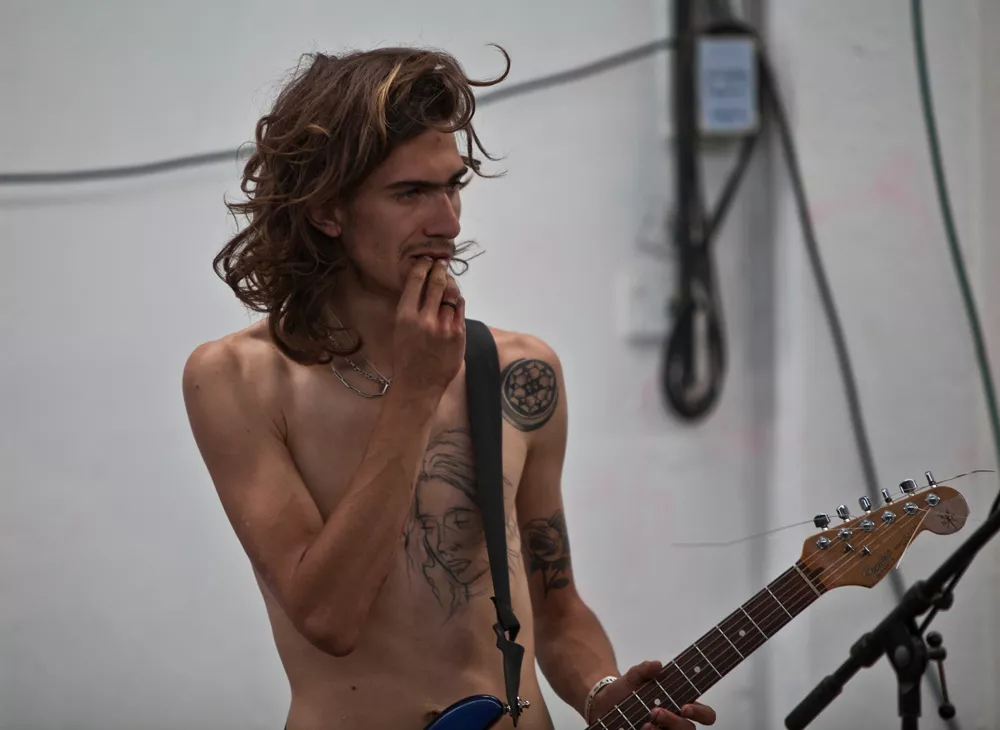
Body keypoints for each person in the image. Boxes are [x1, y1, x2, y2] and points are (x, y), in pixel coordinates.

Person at [181, 44, 717, 730]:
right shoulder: (238, 379)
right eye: (410, 193)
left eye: (453, 186)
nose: (448, 222)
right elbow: (328, 617)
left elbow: (556, 611)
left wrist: (601, 691)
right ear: (326, 210)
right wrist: (415, 392)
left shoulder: (521, 371)